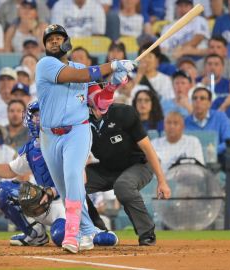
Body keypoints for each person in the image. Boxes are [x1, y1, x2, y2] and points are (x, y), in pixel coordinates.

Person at [36, 24, 136, 253]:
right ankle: (89, 230)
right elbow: (78, 75)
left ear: (67, 42)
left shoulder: (81, 68)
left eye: (58, 37)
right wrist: (112, 66)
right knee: (65, 188)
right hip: (50, 136)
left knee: (73, 177)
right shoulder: (46, 65)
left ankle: (72, 235)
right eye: (49, 39)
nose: (53, 42)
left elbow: (99, 105)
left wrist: (113, 85)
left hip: (77, 131)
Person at [0, 101, 117, 246]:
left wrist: (53, 191)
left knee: (60, 236)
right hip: (41, 202)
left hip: (66, 205)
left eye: (42, 114)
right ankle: (35, 235)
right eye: (35, 115)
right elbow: (11, 170)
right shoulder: (30, 148)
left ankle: (92, 233)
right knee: (2, 192)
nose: (38, 118)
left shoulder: (67, 142)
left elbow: (81, 178)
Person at [86, 86, 171, 246]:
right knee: (73, 184)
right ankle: (95, 230)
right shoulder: (81, 120)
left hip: (138, 164)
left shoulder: (124, 113)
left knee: (123, 185)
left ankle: (146, 233)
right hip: (106, 168)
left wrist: (162, 181)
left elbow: (147, 148)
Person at [184, 86, 230, 156]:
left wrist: (211, 151)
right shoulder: (184, 122)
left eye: (202, 98)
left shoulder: (220, 117)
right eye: (194, 98)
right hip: (191, 161)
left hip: (216, 160)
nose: (198, 101)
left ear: (210, 103)